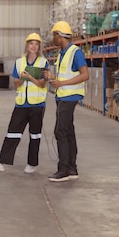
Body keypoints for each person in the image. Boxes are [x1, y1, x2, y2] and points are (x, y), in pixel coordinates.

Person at [0, 33, 49, 174]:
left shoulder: (43, 63)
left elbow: (42, 84)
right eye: (31, 43)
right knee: (12, 133)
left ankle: (32, 164)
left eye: (36, 44)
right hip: (21, 104)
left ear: (39, 46)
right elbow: (16, 83)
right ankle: (1, 162)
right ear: (27, 46)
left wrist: (29, 77)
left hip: (37, 105)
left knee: (35, 135)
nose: (33, 46)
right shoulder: (19, 62)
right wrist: (23, 78)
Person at [45, 21, 89, 182]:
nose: (53, 38)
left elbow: (85, 75)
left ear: (60, 36)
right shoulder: (62, 53)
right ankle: (72, 168)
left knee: (60, 131)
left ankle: (63, 169)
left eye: (54, 35)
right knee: (68, 131)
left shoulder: (75, 52)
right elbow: (66, 75)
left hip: (70, 97)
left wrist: (61, 83)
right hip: (62, 96)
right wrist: (53, 78)